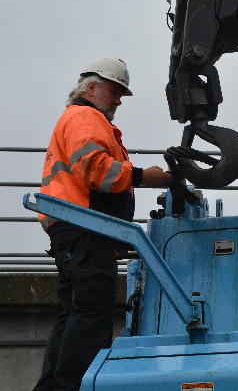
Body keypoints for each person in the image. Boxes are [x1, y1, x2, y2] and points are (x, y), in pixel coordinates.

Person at [33, 57, 172, 391]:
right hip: (85, 228)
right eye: (114, 91)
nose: (119, 100)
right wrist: (143, 176)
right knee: (91, 316)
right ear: (92, 88)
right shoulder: (86, 116)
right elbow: (95, 169)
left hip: (74, 229)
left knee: (73, 315)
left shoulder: (77, 119)